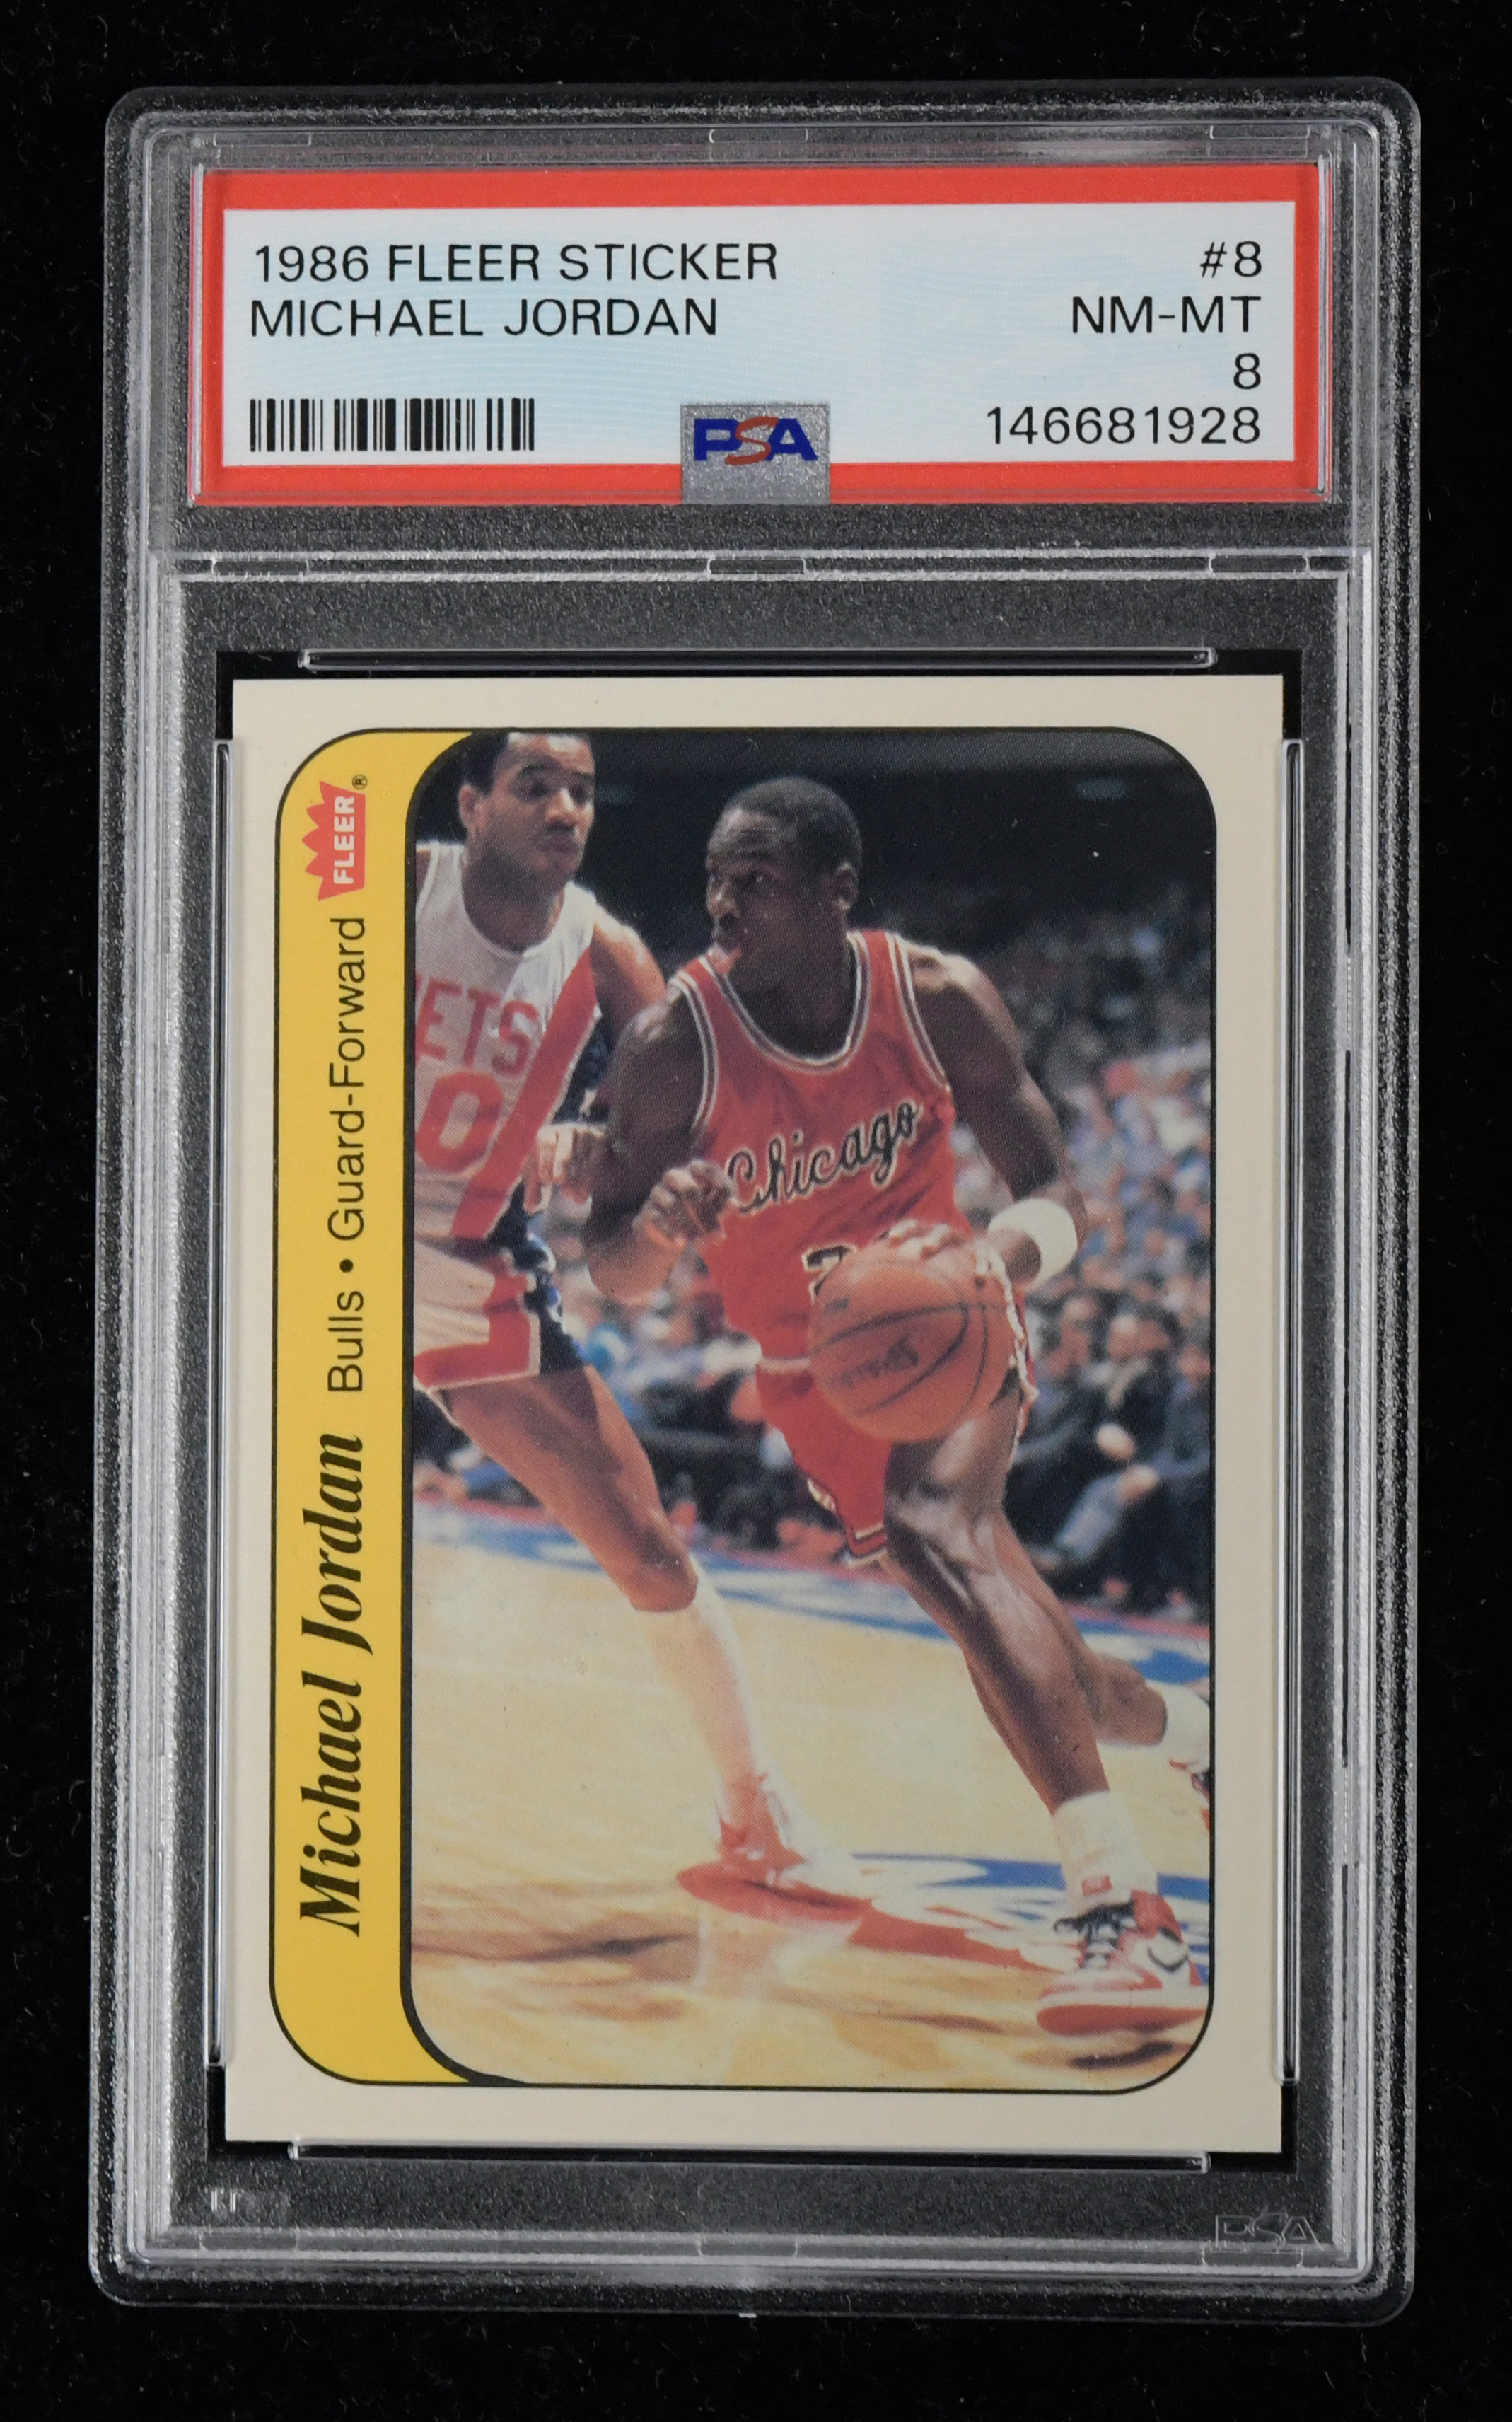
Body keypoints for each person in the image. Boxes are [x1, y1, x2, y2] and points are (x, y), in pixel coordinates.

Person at [583, 777, 1211, 2039]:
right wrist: (657, 1227)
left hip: (951, 1320)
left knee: (938, 1529)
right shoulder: (670, 1047)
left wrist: (991, 1263)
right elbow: (613, 1263)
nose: (723, 905)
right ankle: (1200, 1736)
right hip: (811, 1376)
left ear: (836, 893)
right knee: (1040, 1659)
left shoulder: (934, 998)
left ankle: (1124, 1912)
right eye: (714, 880)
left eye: (755, 882)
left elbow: (1054, 1192)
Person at [412, 731, 859, 1901]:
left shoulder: (605, 953)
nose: (565, 808)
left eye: (582, 792)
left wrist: (597, 1141)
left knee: (649, 1546)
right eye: (536, 786)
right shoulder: (388, 893)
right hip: (310, 1240)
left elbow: (683, 1116)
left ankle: (753, 1811)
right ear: (472, 804)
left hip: (466, 1263)